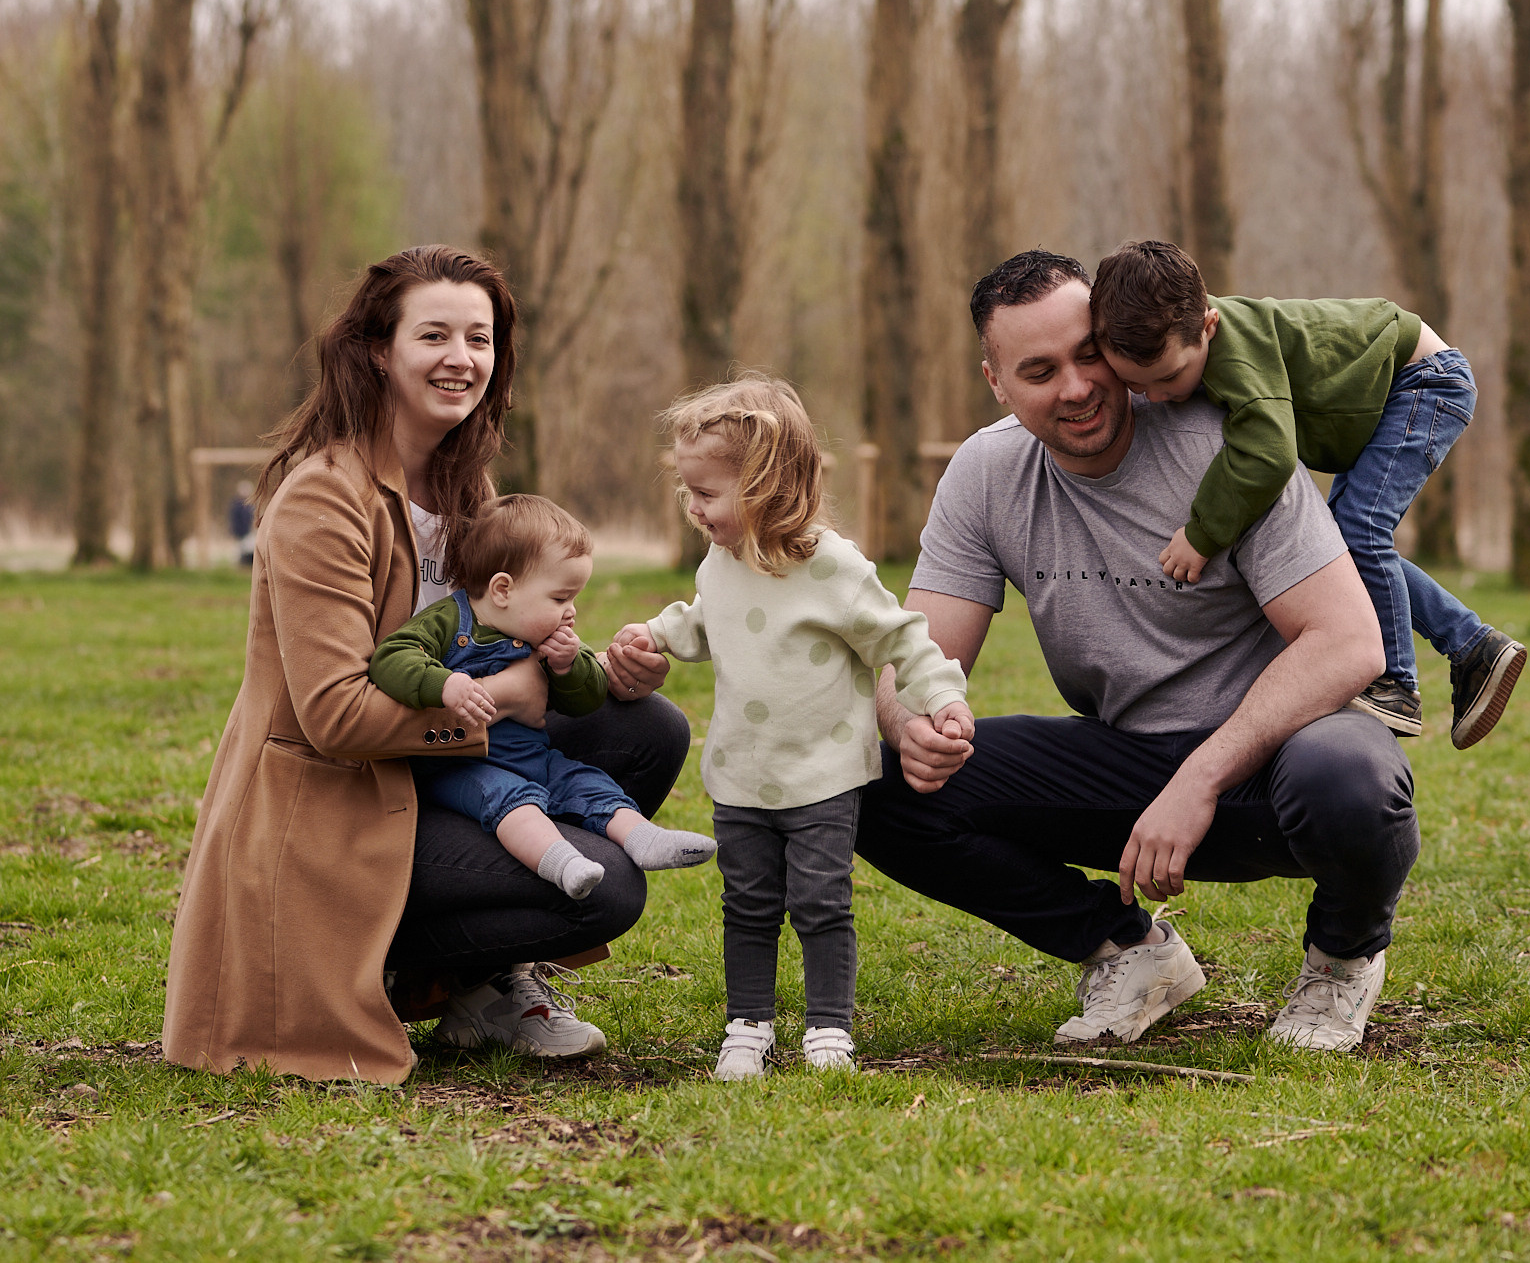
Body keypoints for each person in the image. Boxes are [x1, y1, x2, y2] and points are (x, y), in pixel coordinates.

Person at [857, 250, 1416, 1054]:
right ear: (997, 381)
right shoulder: (985, 473)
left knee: (1354, 777)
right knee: (875, 777)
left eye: (1090, 354)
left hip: (1281, 757)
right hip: (1127, 767)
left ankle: (1341, 960)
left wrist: (1202, 776)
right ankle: (1127, 952)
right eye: (1040, 370)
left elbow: (1348, 642)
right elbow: (914, 657)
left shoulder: (1224, 446)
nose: (1078, 386)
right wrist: (912, 719)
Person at [162, 245, 687, 1083]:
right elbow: (334, 714)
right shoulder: (323, 498)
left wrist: (589, 666)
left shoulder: (466, 487)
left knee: (644, 729)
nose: (461, 358)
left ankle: (481, 986)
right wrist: (494, 704)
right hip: (337, 806)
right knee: (613, 887)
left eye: (478, 339)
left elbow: (503, 638)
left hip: (430, 777)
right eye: (434, 335)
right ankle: (409, 969)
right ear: (379, 349)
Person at [613, 374, 974, 1080]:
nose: (693, 507)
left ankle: (828, 1028)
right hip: (742, 773)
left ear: (767, 486)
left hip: (823, 774)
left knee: (819, 900)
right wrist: (650, 636)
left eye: (707, 492)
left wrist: (942, 698)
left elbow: (901, 638)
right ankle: (747, 1024)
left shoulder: (832, 566)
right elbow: (701, 620)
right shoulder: (721, 561)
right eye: (688, 490)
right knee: (746, 902)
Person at [1088, 239, 1526, 748]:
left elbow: (1270, 451)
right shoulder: (1191, 344)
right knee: (1341, 544)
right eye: (1137, 387)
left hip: (1422, 382)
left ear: (1208, 326)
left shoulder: (1236, 354)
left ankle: (1396, 685)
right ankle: (1473, 646)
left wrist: (1202, 533)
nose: (1157, 397)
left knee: (1360, 530)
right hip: (1391, 389)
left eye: (1168, 378)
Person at [368, 493, 715, 905]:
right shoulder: (447, 621)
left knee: (585, 782)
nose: (570, 612)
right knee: (509, 799)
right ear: (503, 590)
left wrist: (569, 667)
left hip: (531, 754)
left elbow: (586, 700)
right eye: (559, 598)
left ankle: (643, 838)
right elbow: (390, 659)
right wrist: (443, 684)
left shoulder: (548, 636)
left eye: (573, 599)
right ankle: (562, 863)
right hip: (459, 766)